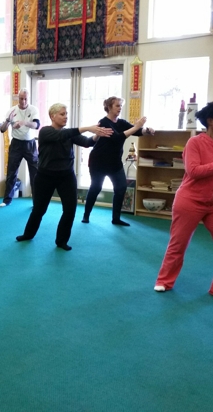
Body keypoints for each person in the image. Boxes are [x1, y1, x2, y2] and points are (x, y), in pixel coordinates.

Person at [16, 103, 112, 250]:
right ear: (52, 116)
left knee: (70, 210)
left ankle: (61, 241)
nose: (65, 116)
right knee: (39, 209)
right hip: (45, 176)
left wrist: (96, 135)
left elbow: (87, 143)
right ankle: (28, 234)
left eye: (66, 114)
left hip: (66, 176)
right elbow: (61, 135)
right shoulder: (45, 132)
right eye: (62, 114)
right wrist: (87, 128)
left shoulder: (69, 133)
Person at [154, 102, 213, 293]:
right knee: (178, 243)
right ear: (210, 121)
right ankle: (164, 280)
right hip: (190, 200)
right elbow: (193, 171)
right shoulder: (195, 142)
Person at [82, 96, 155, 226]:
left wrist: (146, 131)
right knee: (96, 187)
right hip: (98, 161)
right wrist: (137, 126)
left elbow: (137, 131)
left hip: (114, 162)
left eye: (121, 106)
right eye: (117, 106)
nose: (120, 108)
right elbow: (116, 138)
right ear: (109, 107)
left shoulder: (121, 123)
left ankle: (116, 218)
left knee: (121, 188)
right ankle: (86, 215)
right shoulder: (103, 123)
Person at [0, 88, 40, 207]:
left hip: (30, 144)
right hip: (16, 143)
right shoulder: (12, 111)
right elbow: (2, 129)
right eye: (21, 98)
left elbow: (37, 125)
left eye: (26, 99)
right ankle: (7, 200)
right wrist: (8, 120)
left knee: (35, 173)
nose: (23, 101)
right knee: (11, 172)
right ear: (18, 98)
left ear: (28, 98)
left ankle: (36, 201)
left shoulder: (33, 109)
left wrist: (24, 122)